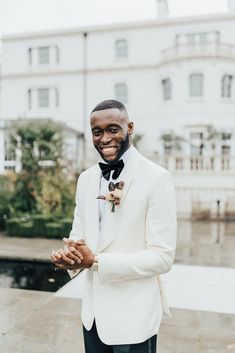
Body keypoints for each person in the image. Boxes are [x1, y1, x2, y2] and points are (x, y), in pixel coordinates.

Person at [51, 99, 177, 353]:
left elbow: (162, 257)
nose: (104, 138)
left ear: (130, 127)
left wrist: (96, 262)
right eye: (97, 132)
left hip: (134, 318)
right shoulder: (86, 180)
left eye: (113, 129)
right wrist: (69, 257)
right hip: (93, 318)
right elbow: (79, 238)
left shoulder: (157, 178)